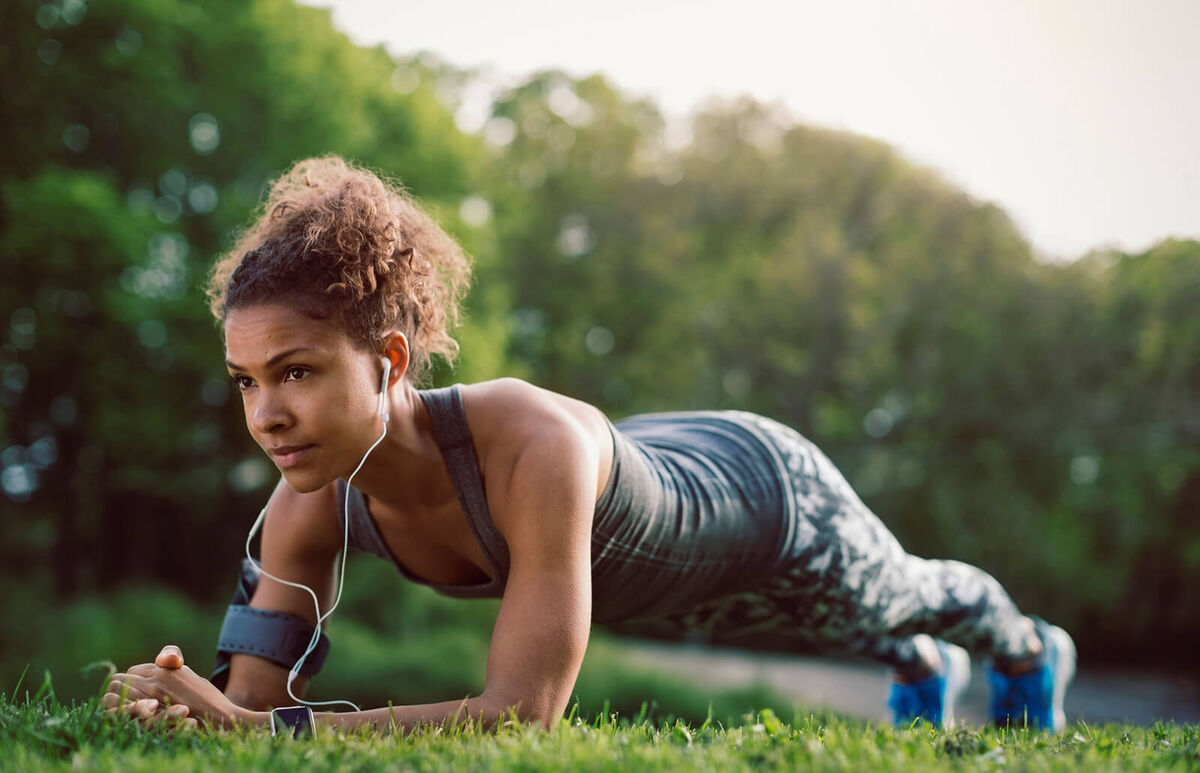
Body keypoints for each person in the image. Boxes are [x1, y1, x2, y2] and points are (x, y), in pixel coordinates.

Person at [103, 156, 1075, 735]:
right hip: (657, 519)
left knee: (895, 592)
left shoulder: (531, 446)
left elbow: (522, 710)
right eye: (247, 380)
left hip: (764, 496)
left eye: (298, 371)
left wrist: (260, 725)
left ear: (390, 360)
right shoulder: (303, 502)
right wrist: (180, 698)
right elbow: (251, 704)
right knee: (824, 628)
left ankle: (1030, 650)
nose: (266, 412)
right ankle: (917, 668)